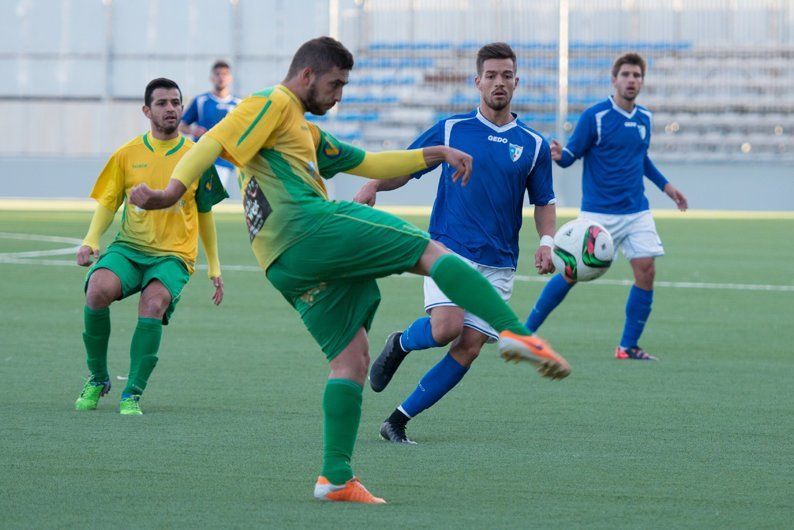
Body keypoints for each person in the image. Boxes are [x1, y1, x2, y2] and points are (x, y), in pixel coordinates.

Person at [127, 37, 570, 504]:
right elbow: (210, 142)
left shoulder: (305, 132)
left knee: (352, 359)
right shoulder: (271, 101)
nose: (339, 96)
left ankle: (334, 478)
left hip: (281, 262)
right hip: (308, 226)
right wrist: (170, 192)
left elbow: (368, 162)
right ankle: (518, 332)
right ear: (307, 76)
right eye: (335, 84)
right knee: (430, 251)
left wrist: (437, 155)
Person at [353, 43, 559, 445]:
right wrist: (375, 183)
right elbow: (407, 164)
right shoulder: (452, 130)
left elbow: (544, 202)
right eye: (492, 75)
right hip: (449, 249)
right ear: (477, 80)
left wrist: (547, 241)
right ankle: (401, 342)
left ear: (517, 82)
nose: (499, 82)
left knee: (469, 347)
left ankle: (397, 420)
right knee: (446, 328)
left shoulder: (533, 144)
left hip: (499, 263)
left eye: (507, 75)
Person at [74, 78, 227, 416]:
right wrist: (90, 240)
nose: (170, 108)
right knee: (97, 289)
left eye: (175, 102)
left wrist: (214, 266)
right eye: (162, 103)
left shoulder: (197, 155)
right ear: (147, 110)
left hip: (174, 255)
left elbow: (205, 213)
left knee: (154, 302)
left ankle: (132, 393)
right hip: (129, 247)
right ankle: (98, 378)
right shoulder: (127, 154)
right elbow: (108, 202)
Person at [525, 53, 688, 361]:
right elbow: (573, 154)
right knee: (570, 273)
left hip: (636, 211)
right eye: (626, 74)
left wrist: (667, 187)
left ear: (642, 81)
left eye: (637, 75)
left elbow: (641, 159)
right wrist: (560, 155)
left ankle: (627, 346)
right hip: (598, 214)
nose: (631, 80)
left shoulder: (645, 118)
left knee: (646, 271)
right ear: (614, 80)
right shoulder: (595, 116)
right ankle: (524, 331)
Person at [180, 60, 241, 192]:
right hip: (200, 157)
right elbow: (182, 125)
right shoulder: (200, 101)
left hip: (223, 160)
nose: (221, 77)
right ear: (211, 77)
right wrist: (192, 130)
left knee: (211, 198)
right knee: (194, 196)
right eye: (217, 74)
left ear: (230, 78)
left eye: (224, 74)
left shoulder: (238, 104)